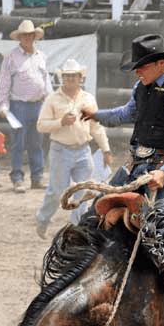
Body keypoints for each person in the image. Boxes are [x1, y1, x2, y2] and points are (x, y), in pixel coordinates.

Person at [81, 34, 164, 326]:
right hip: (135, 166)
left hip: (160, 167)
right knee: (94, 212)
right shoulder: (142, 88)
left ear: (161, 63)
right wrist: (97, 114)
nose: (138, 71)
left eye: (143, 65)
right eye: (137, 67)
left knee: (162, 223)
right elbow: (127, 113)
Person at [34, 60, 113, 236]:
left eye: (74, 75)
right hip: (60, 150)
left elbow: (96, 127)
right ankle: (43, 219)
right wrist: (60, 122)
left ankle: (77, 229)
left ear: (80, 77)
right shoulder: (52, 99)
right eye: (67, 76)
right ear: (62, 78)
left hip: (84, 150)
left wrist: (106, 149)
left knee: (82, 192)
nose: (70, 79)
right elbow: (40, 126)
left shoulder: (88, 99)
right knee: (57, 191)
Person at [0, 20, 53, 193]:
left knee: (37, 143)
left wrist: (51, 101)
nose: (28, 38)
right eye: (24, 35)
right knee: (18, 143)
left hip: (38, 105)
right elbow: (4, 82)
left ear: (35, 36)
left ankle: (37, 178)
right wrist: (3, 104)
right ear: (19, 37)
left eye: (30, 35)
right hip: (17, 106)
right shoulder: (11, 57)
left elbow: (46, 80)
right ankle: (17, 179)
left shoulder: (41, 56)